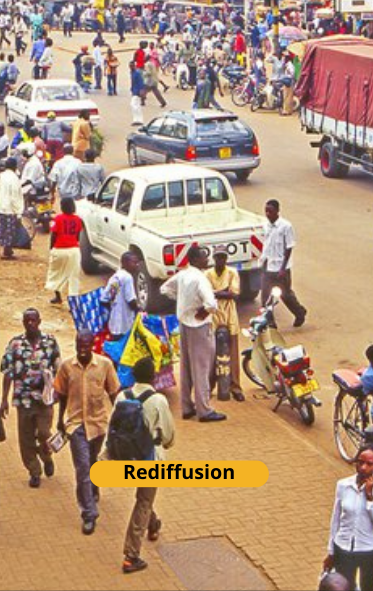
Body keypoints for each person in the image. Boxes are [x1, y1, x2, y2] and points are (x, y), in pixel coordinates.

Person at [53, 329, 120, 535]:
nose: (82, 349)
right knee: (82, 469)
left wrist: (117, 421)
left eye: (86, 345)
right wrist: (60, 420)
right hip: (75, 425)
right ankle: (89, 513)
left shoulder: (105, 365)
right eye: (79, 345)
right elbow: (62, 394)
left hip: (98, 424)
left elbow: (114, 393)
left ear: (92, 345)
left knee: (92, 463)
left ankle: (93, 487)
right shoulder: (66, 367)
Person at [117, 357, 174, 574]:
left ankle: (153, 523)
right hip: (150, 459)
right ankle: (131, 556)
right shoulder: (158, 400)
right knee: (143, 501)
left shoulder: (122, 396)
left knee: (144, 497)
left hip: (127, 457)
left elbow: (115, 428)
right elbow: (168, 435)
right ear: (153, 377)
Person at [161, 246, 225, 422]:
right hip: (199, 327)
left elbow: (165, 289)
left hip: (184, 324)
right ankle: (204, 410)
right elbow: (212, 304)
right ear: (196, 260)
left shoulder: (183, 275)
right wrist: (203, 311)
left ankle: (187, 407)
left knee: (186, 367)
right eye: (204, 257)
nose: (207, 260)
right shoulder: (200, 279)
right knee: (202, 368)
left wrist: (183, 301)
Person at [0, 308, 61, 488]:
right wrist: (3, 398)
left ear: (39, 321)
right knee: (26, 438)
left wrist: (58, 392)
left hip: (44, 398)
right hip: (23, 398)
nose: (30, 324)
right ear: (23, 322)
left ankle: (46, 456)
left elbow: (59, 370)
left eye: (33, 320)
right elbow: (8, 372)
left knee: (44, 433)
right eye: (27, 321)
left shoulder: (50, 342)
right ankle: (34, 470)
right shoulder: (15, 344)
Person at [324, 445, 373, 591]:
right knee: (345, 586)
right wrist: (331, 551)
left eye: (369, 464)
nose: (363, 467)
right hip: (343, 548)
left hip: (370, 550)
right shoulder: (343, 485)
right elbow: (336, 519)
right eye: (360, 462)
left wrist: (370, 498)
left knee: (368, 586)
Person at [259, 199, 308, 327]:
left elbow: (289, 247)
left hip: (281, 268)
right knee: (265, 298)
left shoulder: (286, 226)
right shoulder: (266, 226)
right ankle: (270, 323)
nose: (268, 214)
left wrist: (283, 268)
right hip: (267, 267)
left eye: (270, 211)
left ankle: (299, 313)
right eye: (266, 211)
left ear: (277, 211)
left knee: (285, 295)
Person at [207, 249, 244, 402]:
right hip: (213, 315)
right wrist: (224, 292)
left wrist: (215, 293)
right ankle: (209, 386)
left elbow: (234, 294)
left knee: (233, 352)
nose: (221, 260)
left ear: (226, 258)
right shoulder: (207, 274)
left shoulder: (232, 272)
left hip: (230, 315)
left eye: (223, 257)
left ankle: (235, 387)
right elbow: (206, 295)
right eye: (218, 257)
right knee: (211, 353)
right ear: (214, 258)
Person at [46, 198, 84, 304]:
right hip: (74, 250)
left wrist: (51, 248)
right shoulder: (78, 219)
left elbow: (54, 235)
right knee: (73, 276)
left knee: (57, 273)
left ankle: (58, 296)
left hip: (60, 249)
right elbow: (77, 236)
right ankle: (73, 301)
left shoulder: (58, 219)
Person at [102, 252, 141, 339]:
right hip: (125, 322)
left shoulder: (116, 276)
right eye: (134, 262)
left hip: (114, 321)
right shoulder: (127, 278)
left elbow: (104, 298)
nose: (137, 265)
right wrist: (139, 310)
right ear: (125, 263)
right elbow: (130, 300)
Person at [0, 157, 24, 259]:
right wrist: (18, 210)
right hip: (9, 208)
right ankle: (7, 251)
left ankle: (6, 250)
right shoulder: (14, 178)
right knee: (10, 230)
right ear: (15, 167)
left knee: (2, 228)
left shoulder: (0, 176)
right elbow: (15, 196)